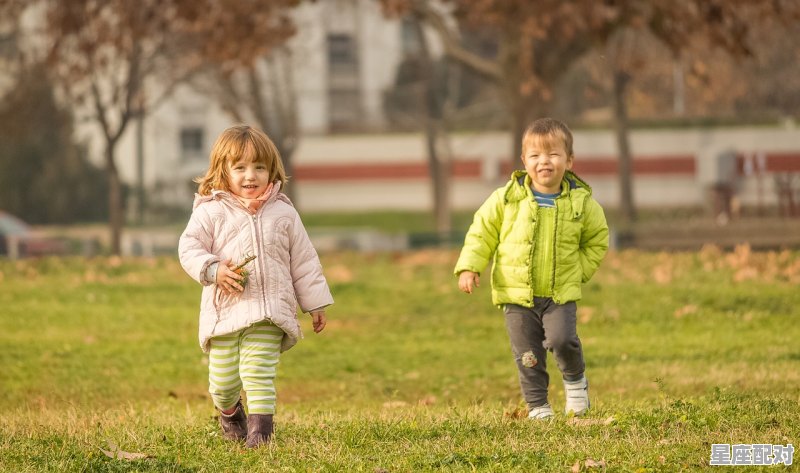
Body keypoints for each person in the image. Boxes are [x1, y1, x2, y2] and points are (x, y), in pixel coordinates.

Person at [179, 124, 333, 447]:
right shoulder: (211, 211)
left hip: (268, 312)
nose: (251, 175)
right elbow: (188, 248)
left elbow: (303, 260)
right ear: (224, 171)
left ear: (271, 170)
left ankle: (261, 435)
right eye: (241, 168)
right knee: (222, 383)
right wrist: (213, 269)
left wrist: (315, 302)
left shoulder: (284, 214)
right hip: (225, 314)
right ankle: (231, 412)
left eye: (259, 167)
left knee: (258, 373)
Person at [454, 118, 608, 420]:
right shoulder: (507, 199)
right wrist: (470, 267)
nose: (544, 162)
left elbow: (597, 240)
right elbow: (481, 232)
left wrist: (578, 272)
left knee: (563, 341)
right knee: (528, 355)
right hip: (516, 295)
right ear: (524, 161)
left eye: (553, 154)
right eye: (535, 156)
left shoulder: (582, 203)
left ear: (569, 160)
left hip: (560, 294)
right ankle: (538, 406)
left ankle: (576, 385)